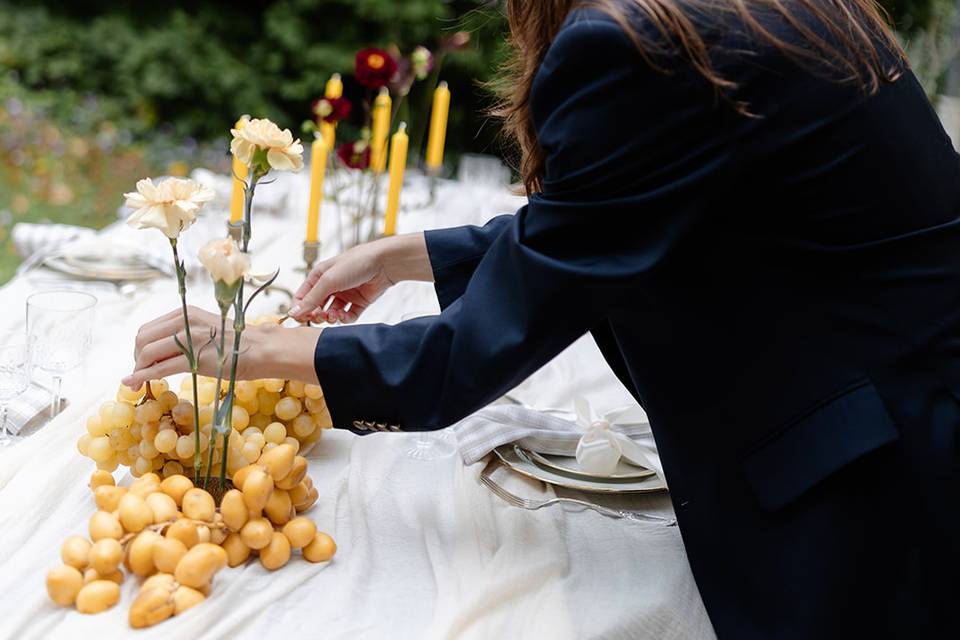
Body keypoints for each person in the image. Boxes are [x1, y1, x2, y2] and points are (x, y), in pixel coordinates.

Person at [127, 0, 960, 636]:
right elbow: (618, 216)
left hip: (875, 494)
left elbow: (473, 352)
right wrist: (404, 253)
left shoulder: (639, 41)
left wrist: (246, 344)